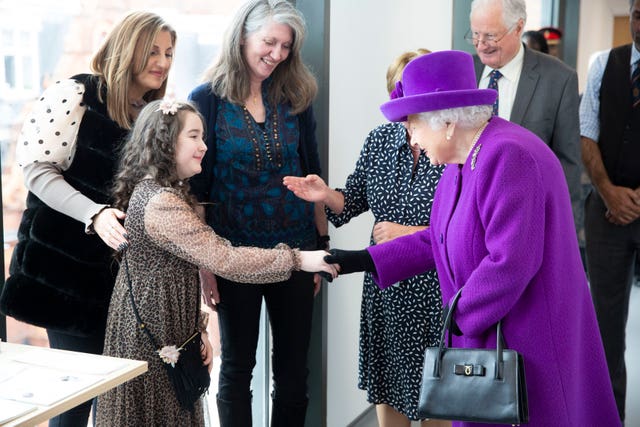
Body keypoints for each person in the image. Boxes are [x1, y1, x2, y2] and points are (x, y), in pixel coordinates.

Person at [321, 50, 621, 427]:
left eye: (412, 122)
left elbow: (510, 262)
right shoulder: (462, 160)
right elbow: (440, 239)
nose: (408, 133)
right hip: (491, 337)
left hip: (529, 346)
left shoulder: (509, 155)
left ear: (447, 121)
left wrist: (454, 321)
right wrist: (360, 260)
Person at [94, 99, 335, 426]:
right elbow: (225, 258)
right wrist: (298, 259)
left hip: (162, 326)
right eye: (194, 136)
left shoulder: (161, 192)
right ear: (166, 142)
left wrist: (198, 330)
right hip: (152, 333)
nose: (204, 146)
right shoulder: (162, 203)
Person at [0, 11, 175, 427]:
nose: (163, 61)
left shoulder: (152, 115)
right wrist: (93, 214)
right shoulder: (75, 94)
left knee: (116, 403)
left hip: (121, 278)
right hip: (64, 275)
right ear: (126, 48)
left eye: (169, 52)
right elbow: (37, 171)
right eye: (152, 50)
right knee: (76, 400)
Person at [284, 49, 449, 427]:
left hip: (436, 288)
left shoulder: (451, 145)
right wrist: (324, 195)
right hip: (386, 286)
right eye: (400, 91)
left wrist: (408, 232)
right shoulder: (379, 140)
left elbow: (465, 223)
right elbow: (353, 200)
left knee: (439, 393)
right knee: (387, 384)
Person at [187, 1, 326, 425]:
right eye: (270, 42)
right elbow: (196, 189)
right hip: (233, 257)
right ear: (241, 37)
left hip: (296, 255)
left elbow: (313, 174)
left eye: (286, 46)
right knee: (236, 370)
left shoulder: (296, 98)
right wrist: (204, 265)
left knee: (293, 375)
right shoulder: (206, 100)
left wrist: (321, 248)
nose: (278, 54)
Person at [467, 0, 582, 241]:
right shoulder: (464, 71)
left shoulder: (559, 79)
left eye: (490, 36)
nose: (481, 45)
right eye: (475, 34)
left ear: (518, 28)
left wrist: (564, 229)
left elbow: (567, 162)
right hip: (468, 219)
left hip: (529, 220)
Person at [580, 0, 640, 421]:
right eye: (638, 13)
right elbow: (586, 131)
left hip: (629, 203)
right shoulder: (604, 64)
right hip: (605, 214)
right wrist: (608, 191)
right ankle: (608, 416)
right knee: (605, 328)